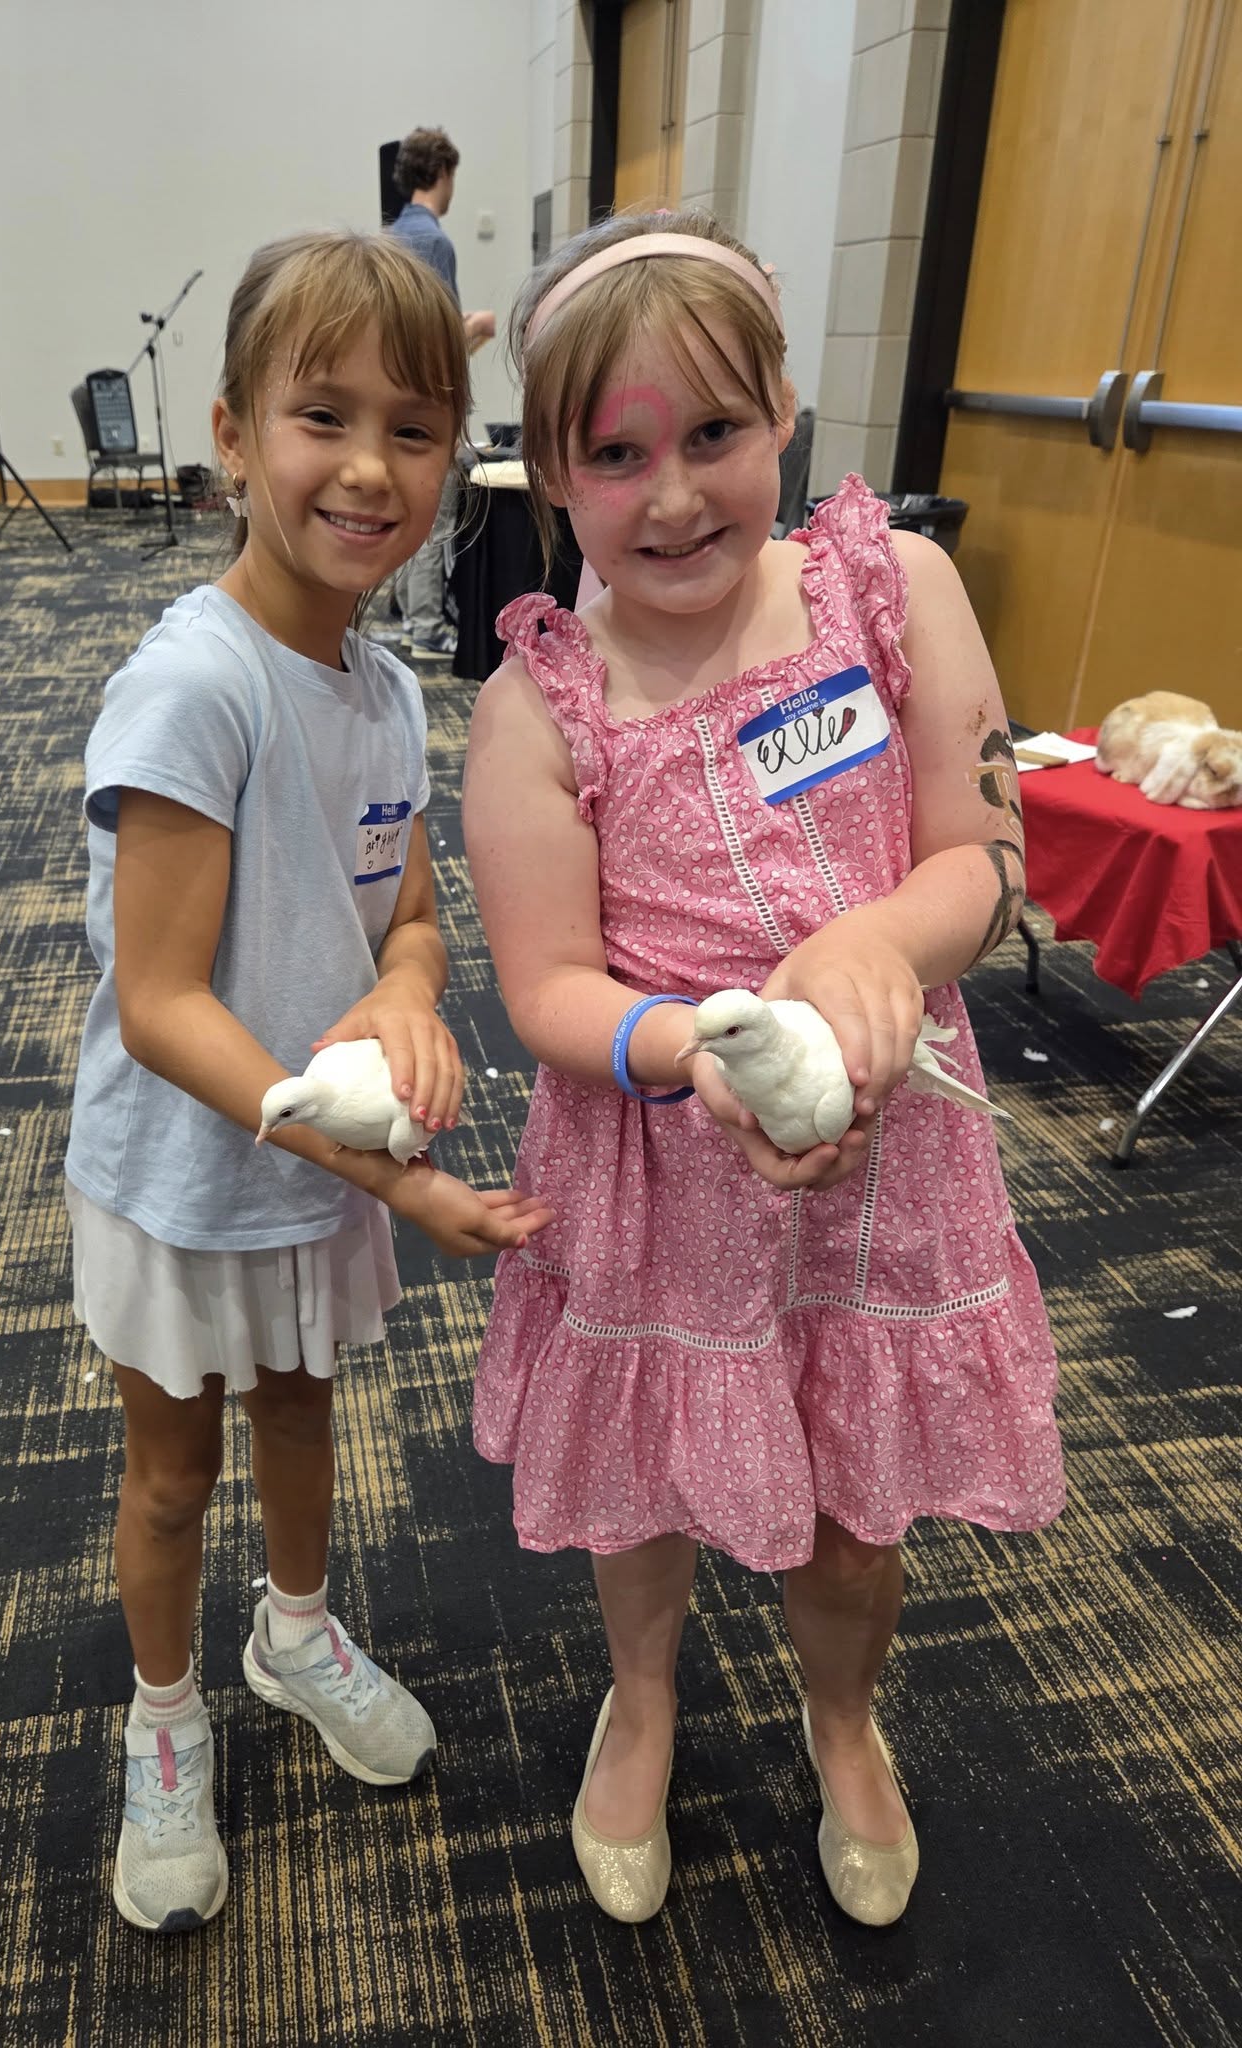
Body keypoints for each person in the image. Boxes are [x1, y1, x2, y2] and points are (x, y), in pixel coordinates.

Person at [462, 210, 1063, 1929]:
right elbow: (545, 984)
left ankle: (842, 1714)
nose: (672, 497)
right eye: (615, 455)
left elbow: (986, 851)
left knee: (863, 1500)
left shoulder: (893, 589)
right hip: (662, 1166)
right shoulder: (540, 706)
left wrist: (879, 945)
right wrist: (690, 1051)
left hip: (890, 1158)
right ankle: (642, 1698)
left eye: (714, 433)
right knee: (648, 1468)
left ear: (784, 412)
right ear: (552, 472)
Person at [64, 229, 552, 1935]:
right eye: (321, 417)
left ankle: (293, 1632)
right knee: (170, 1472)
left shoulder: (387, 687)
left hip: (316, 1165)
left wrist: (408, 992)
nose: (368, 467)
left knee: (300, 1408)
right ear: (230, 435)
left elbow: (406, 909)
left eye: (414, 429)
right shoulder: (196, 686)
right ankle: (165, 1719)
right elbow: (159, 1006)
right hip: (185, 1176)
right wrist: (394, 1174)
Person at [383, 125, 496, 659]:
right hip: (428, 404)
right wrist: (478, 327)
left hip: (391, 403)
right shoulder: (433, 242)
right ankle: (427, 626)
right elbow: (441, 344)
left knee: (405, 511)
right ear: (443, 173)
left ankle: (412, 618)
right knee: (433, 518)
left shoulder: (390, 239)